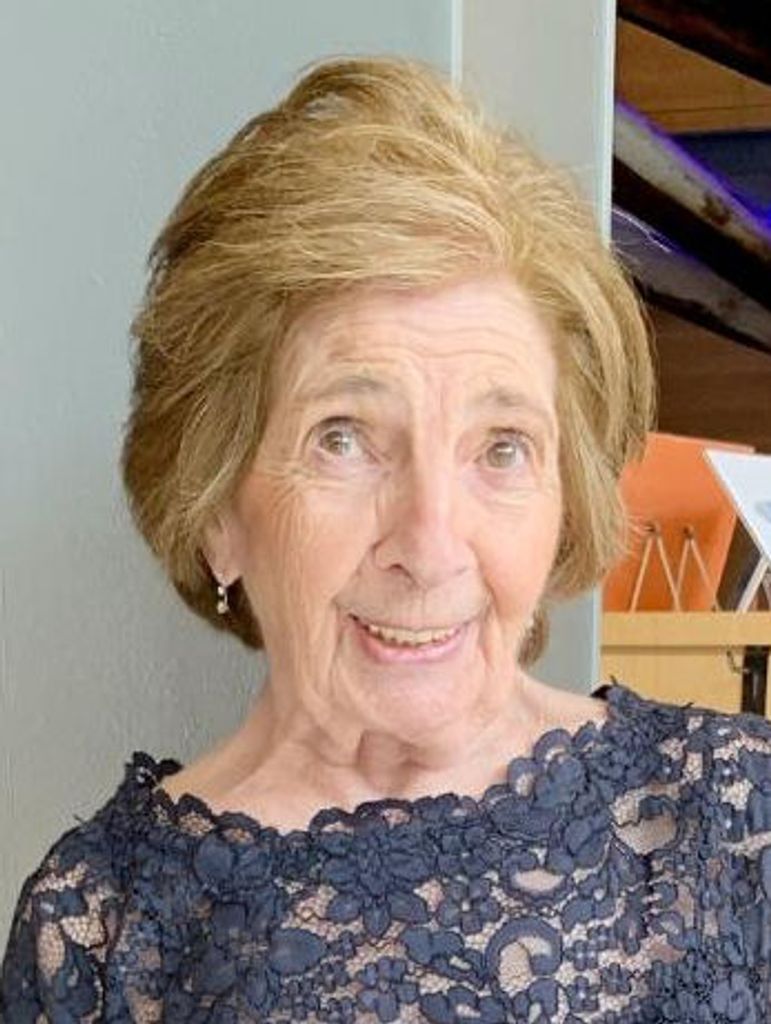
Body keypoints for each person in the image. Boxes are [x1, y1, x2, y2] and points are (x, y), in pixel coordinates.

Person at [1, 56, 769, 1024]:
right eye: (344, 439)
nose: (430, 544)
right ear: (215, 507)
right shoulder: (104, 925)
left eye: (501, 447)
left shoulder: (740, 819)